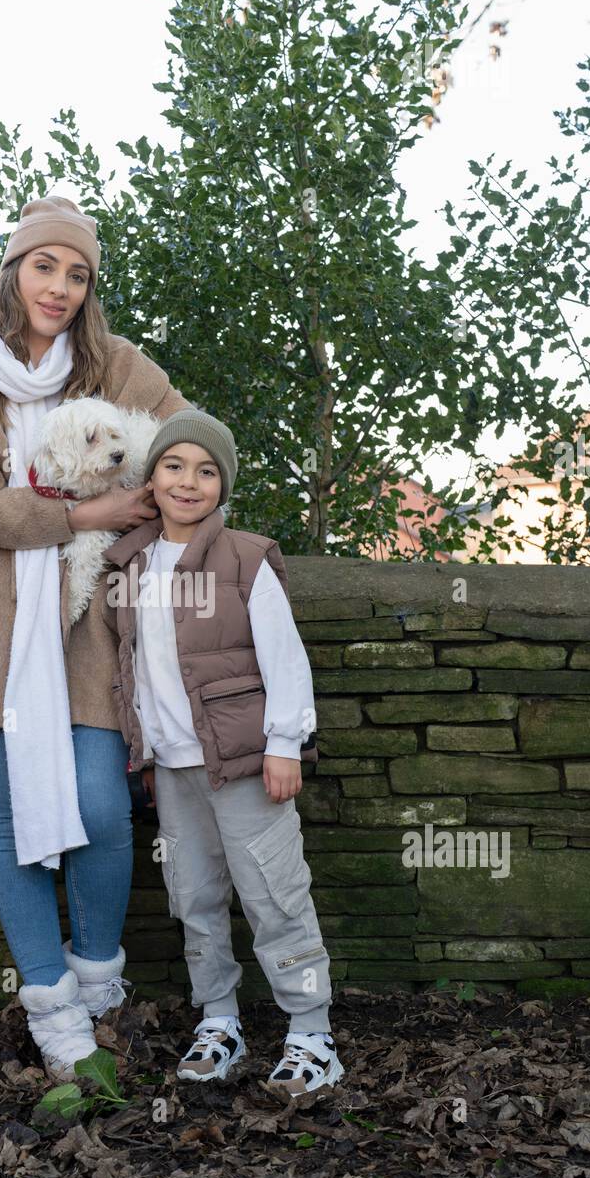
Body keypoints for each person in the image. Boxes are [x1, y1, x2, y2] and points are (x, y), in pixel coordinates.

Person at [0, 195, 192, 1082]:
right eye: (44, 267)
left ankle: (99, 981)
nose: (59, 287)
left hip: (93, 622)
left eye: (77, 273)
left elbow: (192, 449)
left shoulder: (118, 369)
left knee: (104, 809)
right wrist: (78, 514)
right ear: (12, 271)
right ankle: (53, 1009)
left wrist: (141, 511)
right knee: (12, 821)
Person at [101, 408, 345, 1098]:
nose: (189, 481)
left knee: (273, 893)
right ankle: (220, 1021)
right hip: (172, 768)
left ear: (223, 485)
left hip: (243, 762)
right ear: (151, 476)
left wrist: (285, 743)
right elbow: (133, 663)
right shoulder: (130, 560)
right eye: (174, 466)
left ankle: (311, 1033)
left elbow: (284, 658)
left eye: (207, 471)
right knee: (195, 897)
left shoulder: (244, 557)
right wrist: (139, 751)